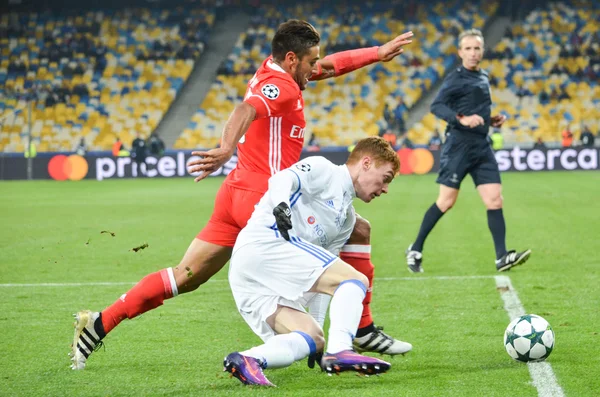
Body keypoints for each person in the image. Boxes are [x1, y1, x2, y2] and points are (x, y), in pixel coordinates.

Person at [71, 20, 414, 370]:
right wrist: (225, 148)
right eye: (312, 62)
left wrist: (376, 53)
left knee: (186, 275)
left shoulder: (278, 71)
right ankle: (357, 328)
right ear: (293, 59)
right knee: (353, 231)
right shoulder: (282, 87)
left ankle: (100, 322)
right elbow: (245, 109)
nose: (317, 69)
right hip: (261, 196)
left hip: (234, 193)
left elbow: (328, 67)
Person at [224, 137, 399, 386]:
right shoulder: (325, 170)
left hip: (257, 274)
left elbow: (324, 281)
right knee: (355, 279)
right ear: (367, 163)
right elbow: (282, 178)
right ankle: (341, 350)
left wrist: (318, 326)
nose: (385, 189)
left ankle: (248, 359)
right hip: (266, 243)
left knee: (312, 337)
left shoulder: (347, 219)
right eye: (386, 178)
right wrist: (282, 204)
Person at [405, 29, 531, 274]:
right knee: (446, 201)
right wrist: (460, 119)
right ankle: (416, 248)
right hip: (459, 146)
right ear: (460, 52)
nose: (473, 53)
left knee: (495, 199)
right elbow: (437, 106)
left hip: (481, 146)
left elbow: (475, 107)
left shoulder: (483, 76)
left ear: (482, 51)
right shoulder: (456, 78)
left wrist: (489, 119)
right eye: (468, 49)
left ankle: (501, 257)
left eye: (477, 48)